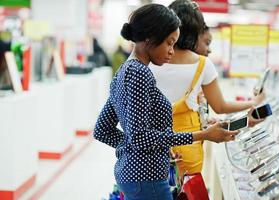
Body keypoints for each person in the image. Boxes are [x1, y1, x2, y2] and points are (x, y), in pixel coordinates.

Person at [93, 3, 239, 200]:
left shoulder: (125, 71)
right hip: (147, 179)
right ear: (150, 38)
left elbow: (103, 129)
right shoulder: (139, 73)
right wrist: (203, 134)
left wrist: (136, 148)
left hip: (134, 176)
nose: (172, 50)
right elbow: (139, 137)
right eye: (169, 43)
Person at [149, 0, 265, 179]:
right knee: (188, 192)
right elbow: (220, 106)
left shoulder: (151, 61)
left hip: (152, 145)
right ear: (196, 29)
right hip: (189, 146)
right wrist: (253, 103)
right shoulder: (202, 64)